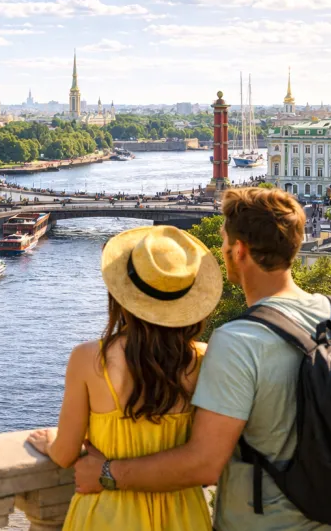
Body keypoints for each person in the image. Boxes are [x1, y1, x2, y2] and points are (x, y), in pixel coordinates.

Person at [73, 187, 331, 531]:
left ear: (240, 250)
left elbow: (203, 465)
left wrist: (106, 472)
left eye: (224, 242)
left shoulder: (238, 341)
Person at [27, 224, 223, 531]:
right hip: (183, 515)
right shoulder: (206, 359)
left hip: (105, 514)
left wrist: (49, 442)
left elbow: (65, 454)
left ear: (120, 296)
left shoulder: (88, 359)